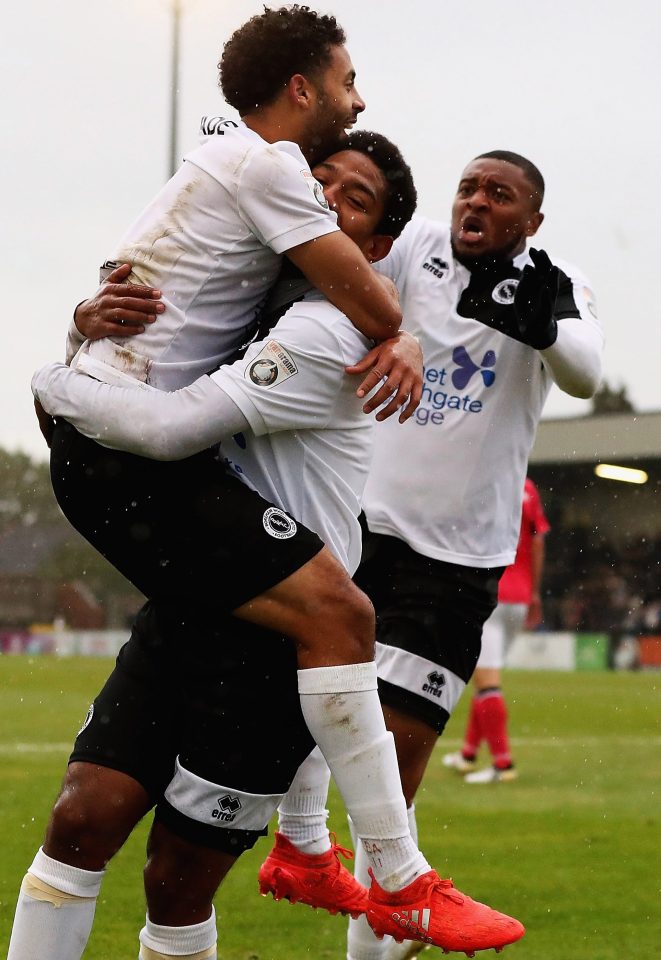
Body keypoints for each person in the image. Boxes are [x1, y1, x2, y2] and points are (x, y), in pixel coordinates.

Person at [19, 134, 525, 960]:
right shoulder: (251, 297)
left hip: (270, 627)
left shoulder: (327, 330)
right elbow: (147, 362)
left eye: (350, 199)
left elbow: (168, 427)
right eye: (315, 181)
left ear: (375, 247)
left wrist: (51, 378)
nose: (320, 201)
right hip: (199, 596)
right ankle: (322, 852)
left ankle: (382, 871)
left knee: (176, 878)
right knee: (80, 818)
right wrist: (83, 324)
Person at [258, 149, 602, 960]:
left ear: (531, 220)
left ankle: (382, 922)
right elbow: (353, 279)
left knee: (391, 787)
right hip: (357, 529)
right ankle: (315, 858)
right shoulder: (418, 249)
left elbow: (585, 373)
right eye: (469, 187)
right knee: (307, 733)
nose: (476, 201)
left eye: (499, 193)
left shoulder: (556, 279)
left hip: (451, 563)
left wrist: (539, 323)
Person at [443, 476, 550, 783]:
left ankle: (503, 764)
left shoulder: (484, 479)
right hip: (519, 596)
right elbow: (539, 540)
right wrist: (535, 593)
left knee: (487, 680)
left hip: (490, 592)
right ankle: (467, 754)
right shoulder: (528, 488)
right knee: (485, 677)